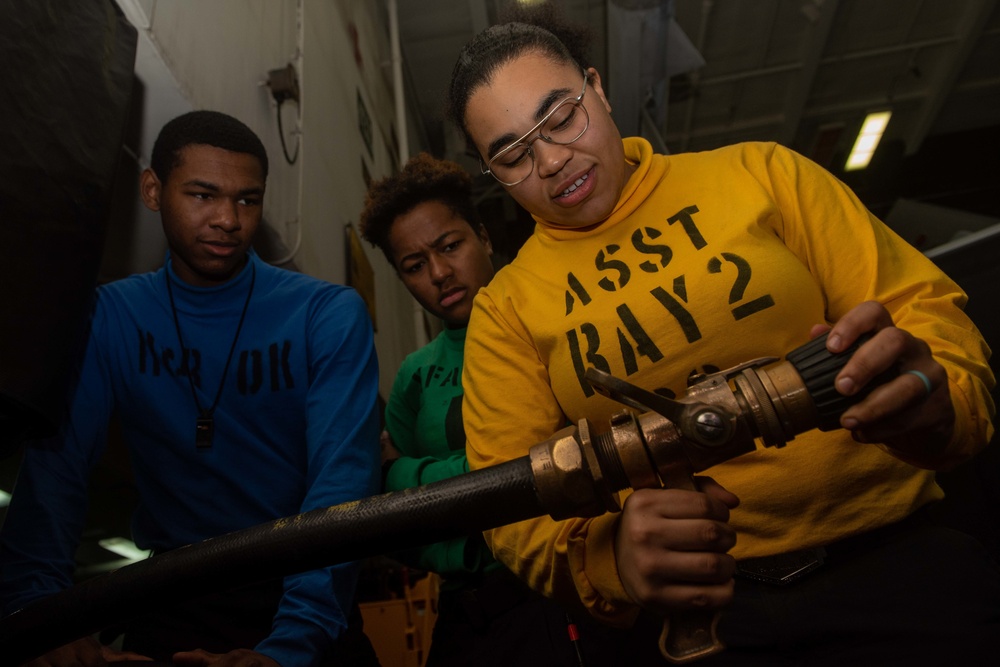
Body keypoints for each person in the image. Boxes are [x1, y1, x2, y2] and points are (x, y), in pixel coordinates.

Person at [443, 8, 998, 666]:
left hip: (898, 565)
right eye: (512, 154)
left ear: (598, 86)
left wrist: (941, 400)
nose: (553, 158)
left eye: (562, 115)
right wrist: (609, 557)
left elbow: (921, 305)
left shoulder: (762, 174)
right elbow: (508, 496)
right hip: (703, 624)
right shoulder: (506, 309)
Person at [0, 110, 382, 667]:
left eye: (247, 200)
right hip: (174, 597)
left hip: (306, 599)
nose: (228, 219)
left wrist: (289, 650)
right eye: (203, 195)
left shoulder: (326, 314)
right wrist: (38, 620)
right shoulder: (110, 317)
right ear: (153, 190)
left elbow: (341, 485)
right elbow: (55, 476)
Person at [359, 152, 610, 666]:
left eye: (450, 246)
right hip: (468, 619)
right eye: (413, 265)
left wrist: (412, 474)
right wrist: (475, 541)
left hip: (574, 593)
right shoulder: (414, 377)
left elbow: (573, 454)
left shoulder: (552, 322)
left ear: (484, 236)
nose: (439, 272)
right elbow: (388, 513)